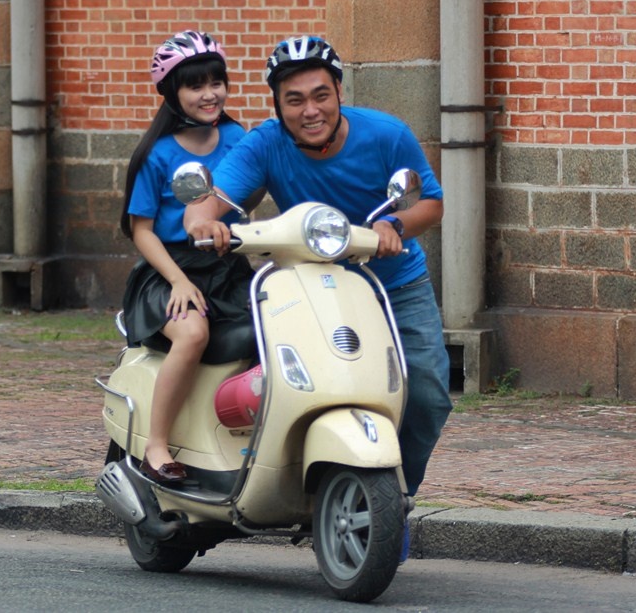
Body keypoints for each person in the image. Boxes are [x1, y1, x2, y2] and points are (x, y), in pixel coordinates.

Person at [184, 35, 453, 503]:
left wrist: (394, 224)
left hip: (393, 283)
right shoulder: (265, 144)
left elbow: (430, 202)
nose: (311, 111)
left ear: (339, 92)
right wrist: (205, 223)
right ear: (277, 104)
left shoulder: (386, 135)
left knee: (427, 393)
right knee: (300, 388)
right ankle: (292, 487)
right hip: (312, 286)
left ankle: (393, 498)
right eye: (294, 100)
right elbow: (209, 202)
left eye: (321, 95)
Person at [120, 30, 255, 485]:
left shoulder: (238, 138)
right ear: (173, 93)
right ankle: (156, 446)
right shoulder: (156, 154)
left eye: (217, 82)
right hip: (169, 272)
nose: (210, 94)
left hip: (227, 266)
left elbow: (249, 199)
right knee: (193, 332)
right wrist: (178, 280)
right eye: (196, 85)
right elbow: (140, 230)